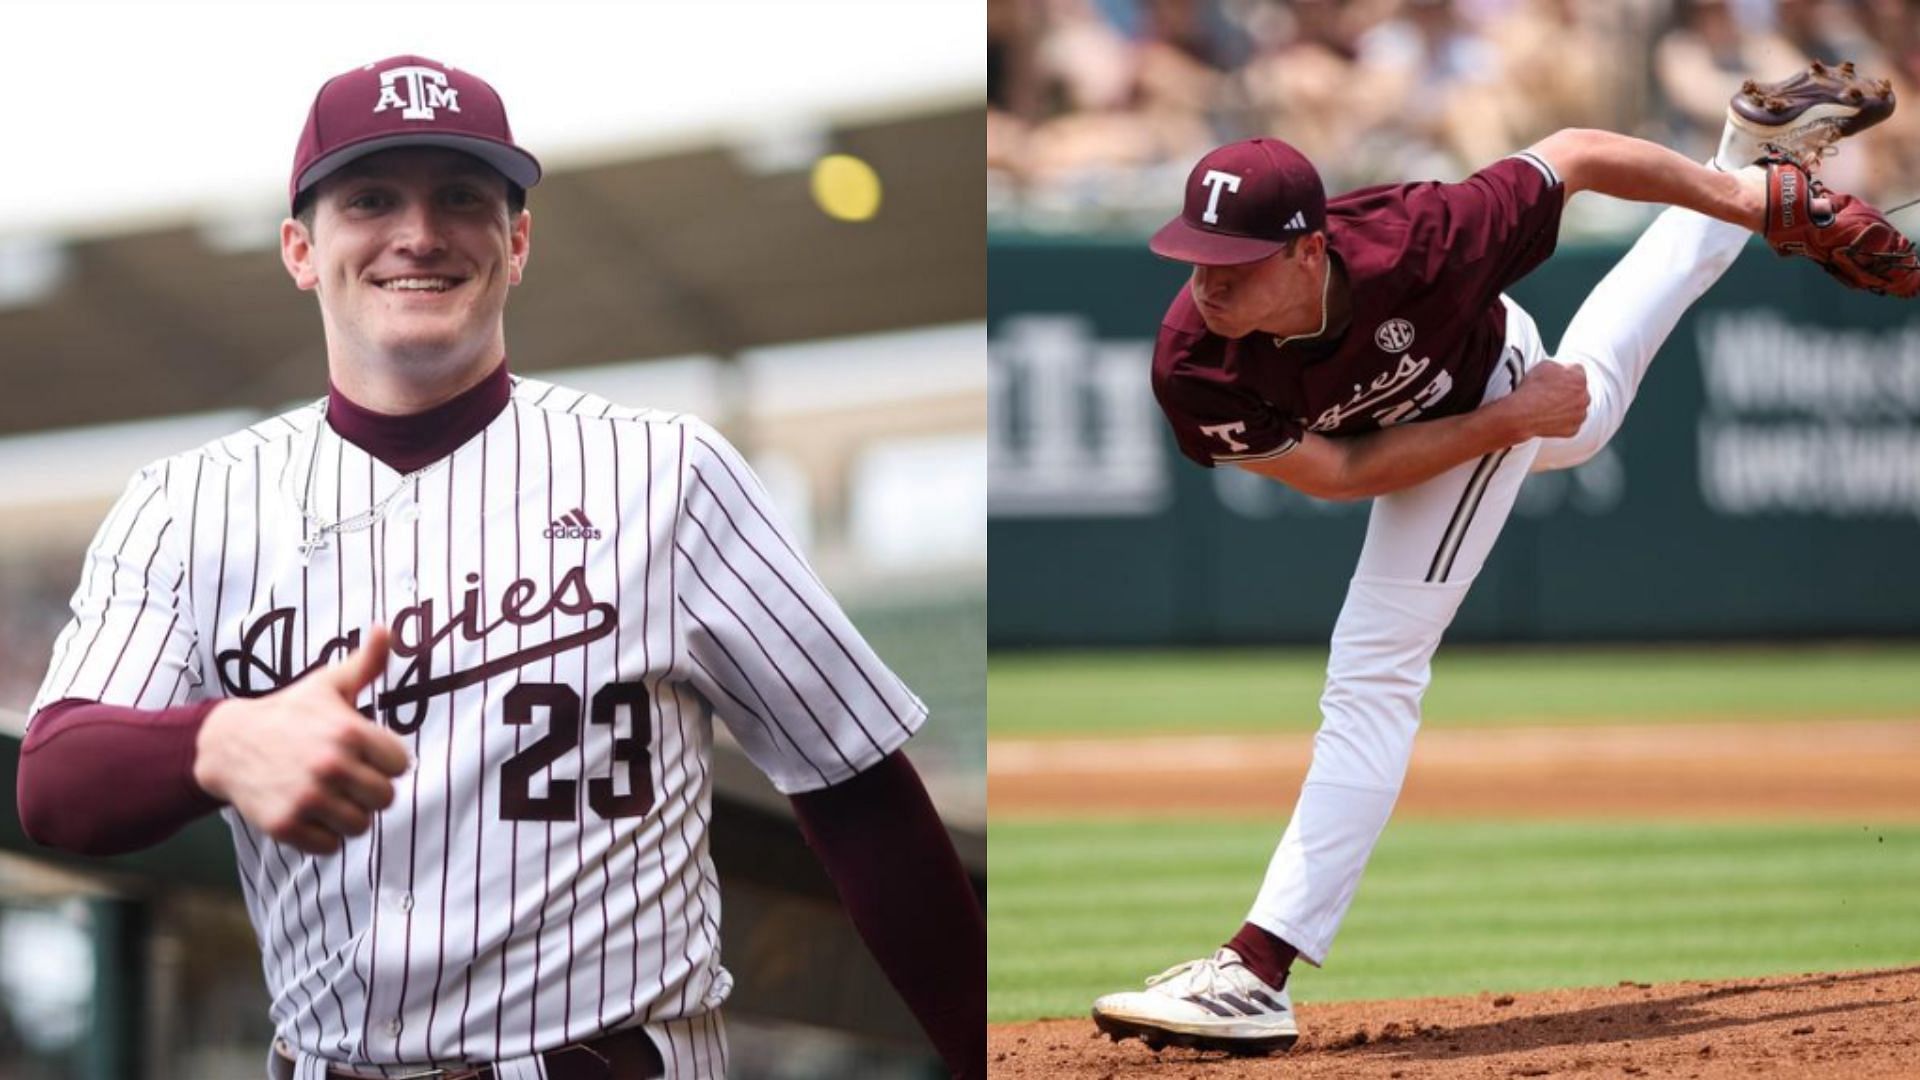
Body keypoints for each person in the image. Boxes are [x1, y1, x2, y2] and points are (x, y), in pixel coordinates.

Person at [15, 56, 984, 1080]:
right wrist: (215, 741)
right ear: (301, 249)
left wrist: (977, 1053)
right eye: (372, 199)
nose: (420, 234)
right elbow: (55, 780)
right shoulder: (190, 504)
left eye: (463, 198)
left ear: (517, 241)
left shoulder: (667, 473)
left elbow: (859, 796)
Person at [1090, 62, 1904, 1054]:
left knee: (1375, 667)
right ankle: (1745, 150)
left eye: (1234, 261)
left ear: (1309, 252)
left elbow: (1581, 153)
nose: (1207, 281)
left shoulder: (1426, 236)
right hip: (1474, 410)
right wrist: (1525, 421)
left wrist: (1512, 410)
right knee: (1587, 417)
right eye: (1194, 254)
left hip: (1484, 375)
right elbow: (1343, 474)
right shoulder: (1194, 361)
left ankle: (1257, 970)